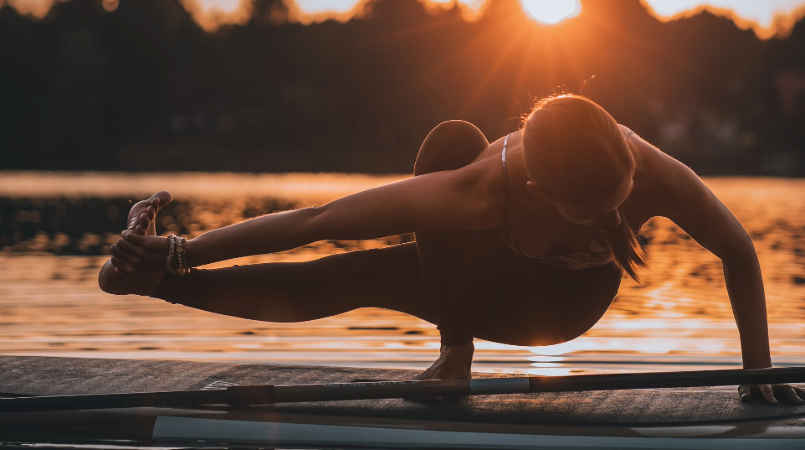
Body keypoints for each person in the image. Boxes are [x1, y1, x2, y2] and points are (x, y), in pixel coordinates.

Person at [99, 94, 803, 405]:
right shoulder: (481, 188)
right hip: (481, 285)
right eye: (593, 209)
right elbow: (320, 216)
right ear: (537, 187)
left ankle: (156, 268)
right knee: (363, 260)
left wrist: (755, 370)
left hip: (564, 308)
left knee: (367, 268)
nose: (616, 212)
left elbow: (737, 251)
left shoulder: (647, 167)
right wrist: (186, 249)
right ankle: (153, 274)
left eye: (621, 195)